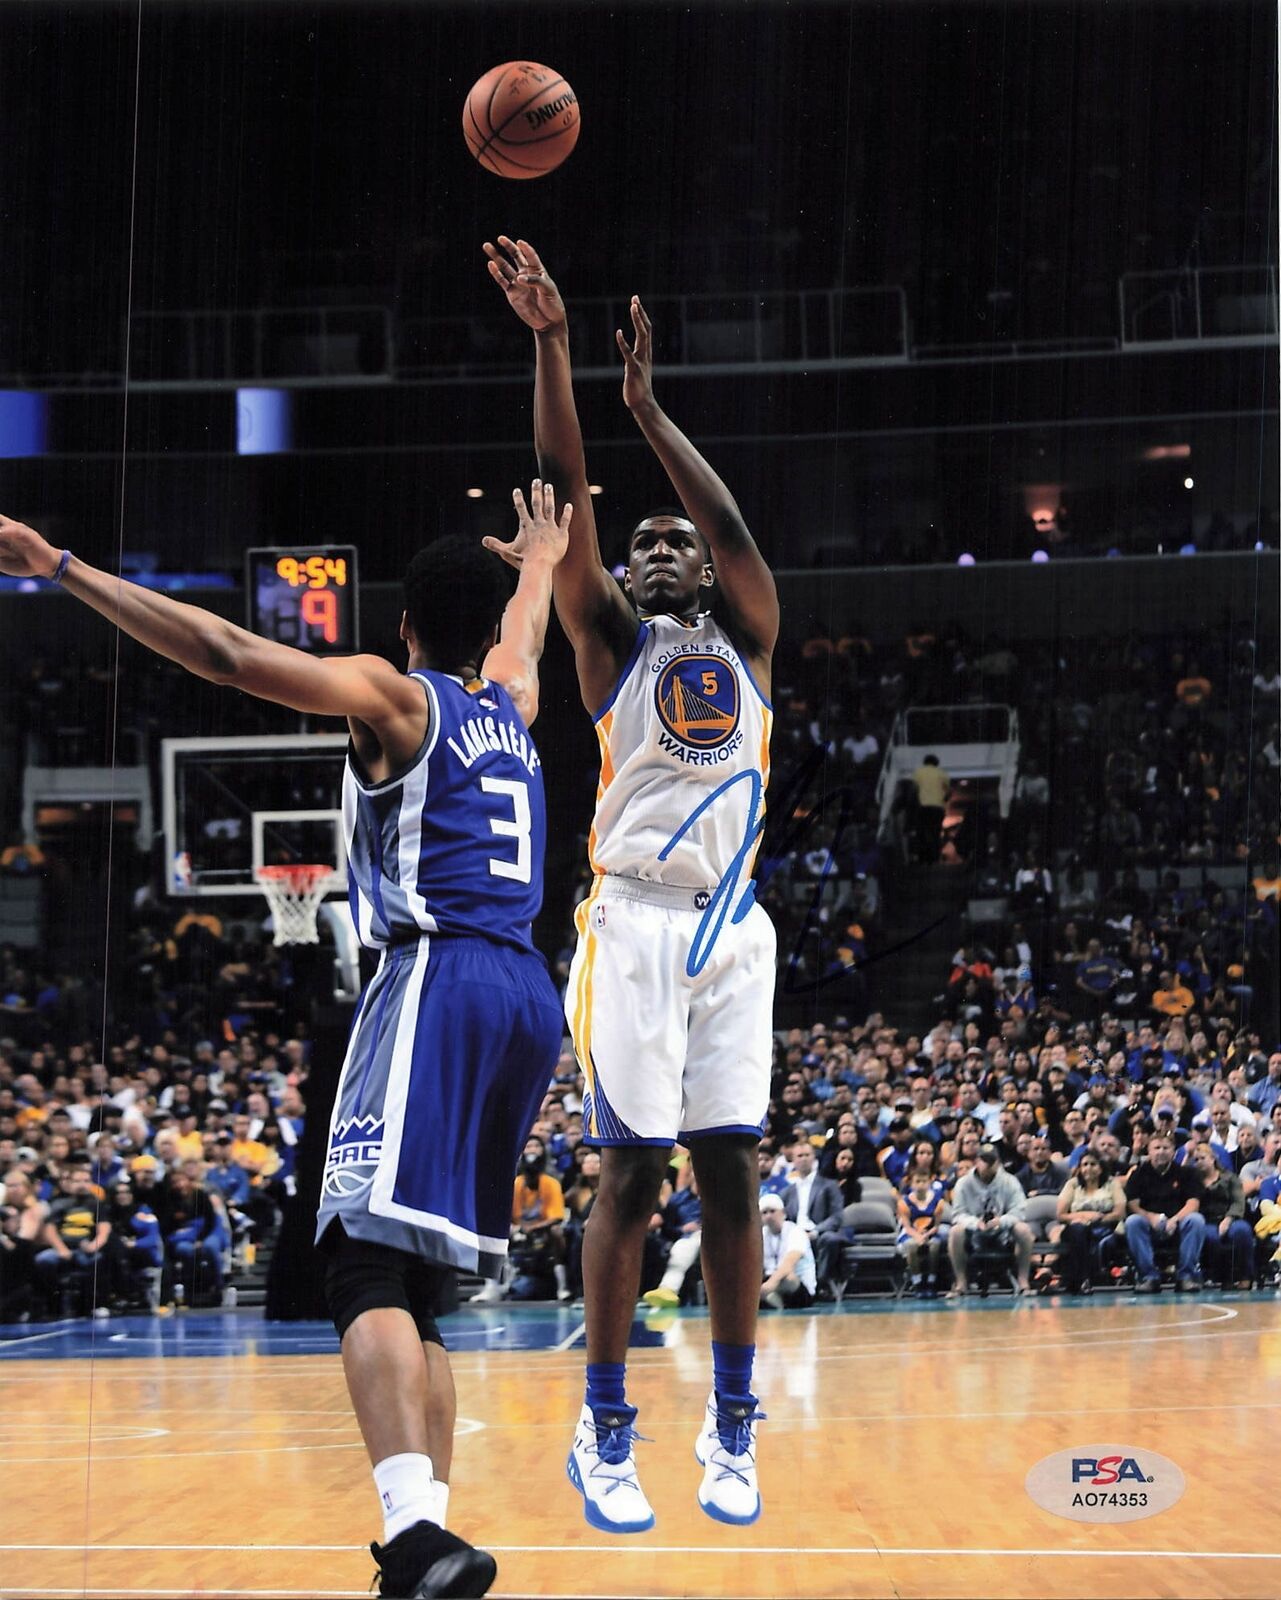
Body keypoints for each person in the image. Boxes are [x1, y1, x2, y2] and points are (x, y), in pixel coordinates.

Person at [0, 484, 571, 1600]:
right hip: (523, 992)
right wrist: (543, 558)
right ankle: (429, 1539)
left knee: (356, 1261)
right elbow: (527, 627)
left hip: (434, 977)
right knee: (422, 1279)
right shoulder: (515, 697)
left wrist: (59, 564)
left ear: (405, 629)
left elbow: (221, 649)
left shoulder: (394, 697)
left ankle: (410, 1535)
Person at [487, 236, 779, 1531]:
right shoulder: (612, 645)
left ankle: (731, 1423)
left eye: (675, 546)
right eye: (642, 543)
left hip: (735, 932)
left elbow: (729, 523)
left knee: (732, 1182)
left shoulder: (753, 632)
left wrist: (653, 411)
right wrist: (555, 347)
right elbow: (565, 493)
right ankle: (604, 1429)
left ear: (703, 574)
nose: (660, 550)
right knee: (629, 1177)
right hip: (637, 921)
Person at [946, 1144, 1034, 1296]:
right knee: (955, 1231)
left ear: (998, 1162)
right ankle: (961, 1283)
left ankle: (1023, 1282)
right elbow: (958, 1214)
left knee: (1024, 1230)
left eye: (992, 1161)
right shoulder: (963, 1183)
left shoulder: (1010, 1181)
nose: (988, 1165)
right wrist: (975, 1223)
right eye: (984, 1160)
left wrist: (1001, 1221)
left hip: (1003, 1231)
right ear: (977, 1161)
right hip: (973, 1232)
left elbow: (1019, 1211)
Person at [1124, 1132, 1207, 1293]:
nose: (1161, 1151)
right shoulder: (1138, 1174)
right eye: (1156, 1148)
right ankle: (1149, 1277)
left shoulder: (1186, 1173)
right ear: (1148, 1151)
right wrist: (1150, 1217)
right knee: (1133, 1222)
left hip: (1178, 1224)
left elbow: (1193, 1203)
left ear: (1174, 1151)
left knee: (1196, 1220)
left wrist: (1175, 1220)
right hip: (1150, 1225)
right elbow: (1132, 1204)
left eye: (1165, 1148)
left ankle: (1186, 1277)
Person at [1054, 1150, 1125, 1294]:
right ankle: (1083, 1279)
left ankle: (1078, 1280)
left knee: (1090, 1235)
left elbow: (1119, 1213)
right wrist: (1084, 1215)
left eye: (1093, 1164)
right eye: (1085, 1164)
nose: (1088, 1168)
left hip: (1105, 1227)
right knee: (1078, 1231)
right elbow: (1061, 1215)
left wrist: (1098, 1219)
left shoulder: (1112, 1184)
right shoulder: (1072, 1184)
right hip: (1076, 1228)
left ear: (1101, 1168)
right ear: (1079, 1168)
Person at [757, 1192, 816, 1308]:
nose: (769, 1216)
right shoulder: (761, 1235)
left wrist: (770, 1284)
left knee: (788, 1277)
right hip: (770, 1279)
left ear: (783, 1213)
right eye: (764, 1213)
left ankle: (771, 1298)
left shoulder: (796, 1232)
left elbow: (788, 1263)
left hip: (797, 1287)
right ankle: (772, 1298)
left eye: (772, 1211)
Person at [911, 755, 950, 863]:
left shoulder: (919, 772)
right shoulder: (942, 773)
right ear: (936, 763)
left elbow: (914, 789)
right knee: (936, 833)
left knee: (922, 833)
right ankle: (935, 858)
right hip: (938, 808)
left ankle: (923, 858)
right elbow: (948, 792)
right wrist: (944, 800)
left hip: (923, 808)